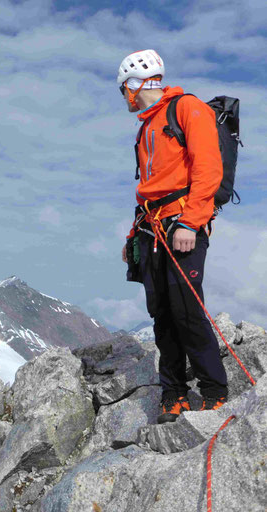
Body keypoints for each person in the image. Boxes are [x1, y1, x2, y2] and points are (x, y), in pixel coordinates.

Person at [117, 49, 228, 424]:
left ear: (133, 85)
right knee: (161, 313)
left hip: (182, 224)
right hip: (152, 228)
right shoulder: (147, 126)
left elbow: (209, 169)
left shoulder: (187, 108)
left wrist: (191, 223)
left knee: (186, 309)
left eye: (123, 91)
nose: (125, 99)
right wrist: (133, 236)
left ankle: (214, 391)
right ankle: (173, 393)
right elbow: (149, 189)